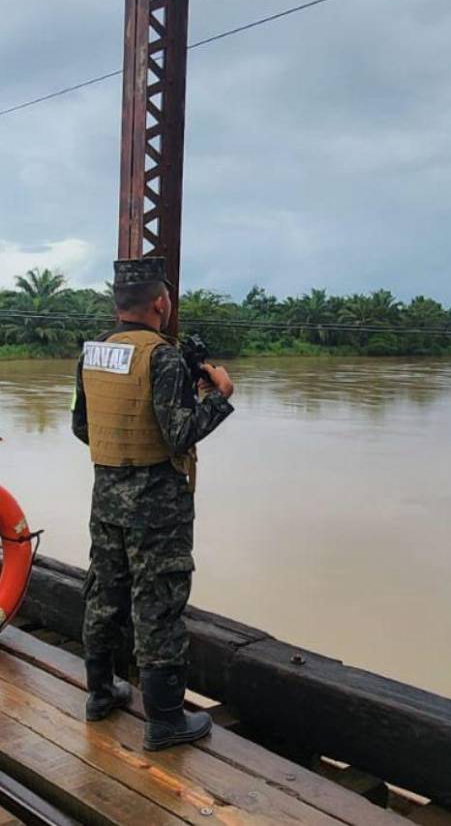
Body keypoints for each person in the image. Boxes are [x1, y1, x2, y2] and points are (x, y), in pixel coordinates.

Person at [70, 257, 235, 751]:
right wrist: (219, 396)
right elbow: (179, 434)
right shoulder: (160, 357)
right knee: (159, 602)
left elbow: (82, 428)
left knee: (105, 591)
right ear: (160, 303)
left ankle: (101, 695)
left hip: (107, 498)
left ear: (118, 304)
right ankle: (164, 722)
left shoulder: (95, 353)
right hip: (157, 507)